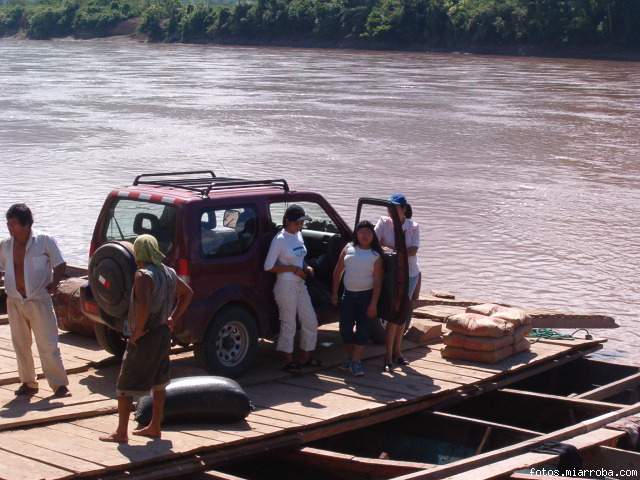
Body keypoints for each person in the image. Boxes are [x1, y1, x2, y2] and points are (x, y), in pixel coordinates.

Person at [100, 234, 193, 443]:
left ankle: (121, 432)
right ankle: (154, 426)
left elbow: (143, 304)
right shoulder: (169, 272)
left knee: (124, 384)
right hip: (163, 333)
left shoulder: (143, 275)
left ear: (139, 252)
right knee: (159, 382)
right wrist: (172, 318)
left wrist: (138, 331)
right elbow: (187, 293)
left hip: (148, 334)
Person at [0, 204, 70, 397]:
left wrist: (55, 283)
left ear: (26, 224)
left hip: (39, 300)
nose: (9, 227)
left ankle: (59, 385)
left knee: (47, 343)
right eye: (8, 223)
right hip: (14, 301)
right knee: (20, 344)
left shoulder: (44, 241)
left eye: (13, 224)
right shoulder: (5, 245)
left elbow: (60, 264)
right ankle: (28, 383)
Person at [264, 204, 320, 373]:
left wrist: (306, 267)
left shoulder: (299, 235)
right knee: (289, 322)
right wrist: (293, 269)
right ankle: (287, 359)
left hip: (300, 284)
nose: (300, 226)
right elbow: (268, 266)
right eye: (297, 223)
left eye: (301, 223)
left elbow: (300, 256)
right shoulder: (280, 239)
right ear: (287, 221)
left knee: (310, 320)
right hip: (285, 285)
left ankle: (306, 356)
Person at [375, 194, 421, 372]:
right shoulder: (384, 222)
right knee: (392, 316)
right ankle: (388, 355)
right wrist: (393, 251)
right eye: (389, 207)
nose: (390, 211)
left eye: (394, 208)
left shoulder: (413, 226)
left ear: (403, 209)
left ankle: (397, 352)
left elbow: (414, 250)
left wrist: (392, 250)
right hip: (391, 275)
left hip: (410, 274)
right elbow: (376, 243)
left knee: (402, 316)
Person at [331, 221, 383, 377]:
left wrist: (373, 304)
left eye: (368, 232)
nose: (365, 235)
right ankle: (351, 359)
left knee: (363, 330)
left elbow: (377, 282)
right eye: (361, 232)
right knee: (345, 329)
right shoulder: (348, 249)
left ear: (373, 235)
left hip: (365, 297)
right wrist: (334, 293)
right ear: (356, 234)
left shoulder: (376, 256)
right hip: (348, 295)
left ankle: (356, 361)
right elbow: (338, 272)